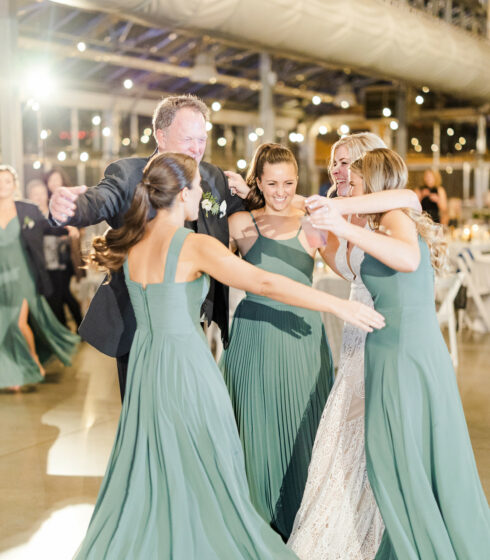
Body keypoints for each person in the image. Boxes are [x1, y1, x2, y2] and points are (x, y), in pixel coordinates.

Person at [74, 152, 384, 559]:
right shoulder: (193, 244)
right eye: (197, 186)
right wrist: (336, 306)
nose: (202, 192)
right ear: (182, 193)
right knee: (208, 463)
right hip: (186, 368)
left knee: (155, 465)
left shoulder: (135, 240)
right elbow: (262, 281)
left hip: (147, 369)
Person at [308, 148, 490, 560]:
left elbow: (407, 260)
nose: (349, 188)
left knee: (402, 454)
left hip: (406, 351)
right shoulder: (379, 224)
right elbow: (358, 270)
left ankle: (422, 544)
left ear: (372, 184)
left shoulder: (395, 217)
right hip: (390, 348)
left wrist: (342, 221)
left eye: (356, 182)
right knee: (397, 453)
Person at [49, 94, 243, 401]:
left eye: (202, 139)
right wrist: (69, 208)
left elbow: (245, 212)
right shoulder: (128, 174)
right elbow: (99, 200)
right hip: (141, 323)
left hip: (192, 320)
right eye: (188, 138)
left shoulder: (212, 177)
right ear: (161, 136)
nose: (196, 148)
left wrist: (249, 194)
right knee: (146, 409)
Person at [288, 133, 421, 560]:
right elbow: (349, 271)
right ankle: (337, 529)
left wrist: (338, 214)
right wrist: (318, 234)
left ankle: (372, 529)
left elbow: (410, 199)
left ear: (367, 166)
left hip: (383, 333)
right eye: (334, 163)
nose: (337, 171)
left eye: (346, 163)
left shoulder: (393, 207)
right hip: (353, 333)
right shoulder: (339, 211)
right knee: (344, 435)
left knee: (372, 434)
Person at [220, 143, 335, 540]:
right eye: (272, 183)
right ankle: (256, 525)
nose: (282, 191)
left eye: (289, 182)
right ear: (258, 182)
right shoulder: (241, 224)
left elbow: (352, 268)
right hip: (253, 337)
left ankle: (305, 520)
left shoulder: (314, 223)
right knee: (255, 427)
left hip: (302, 338)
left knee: (305, 427)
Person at [0, 165, 79, 390]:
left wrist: (67, 228)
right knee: (3, 325)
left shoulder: (26, 210)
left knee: (17, 322)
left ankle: (33, 362)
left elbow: (48, 227)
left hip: (23, 275)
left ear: (14, 185)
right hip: (1, 276)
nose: (2, 186)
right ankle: (15, 370)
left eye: (7, 181)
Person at [28, 177, 84, 329]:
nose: (39, 197)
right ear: (30, 197)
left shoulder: (54, 212)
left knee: (62, 295)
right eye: (35, 194)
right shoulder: (30, 216)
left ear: (46, 194)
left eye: (41, 193)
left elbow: (70, 228)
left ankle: (75, 328)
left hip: (61, 262)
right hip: (43, 264)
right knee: (57, 297)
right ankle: (69, 328)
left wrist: (71, 230)